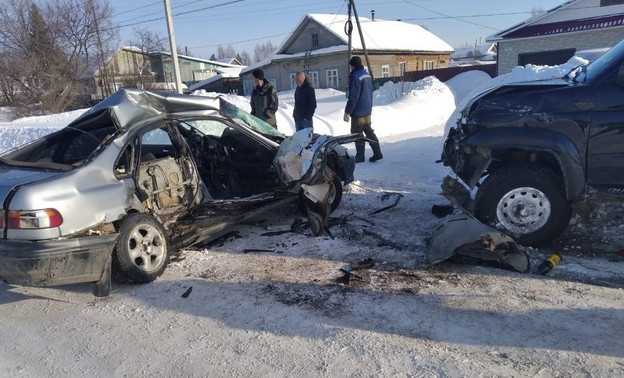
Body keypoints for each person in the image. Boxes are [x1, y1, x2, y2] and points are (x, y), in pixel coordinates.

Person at [343, 56, 383, 163]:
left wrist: (348, 112)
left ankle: (360, 156)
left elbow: (353, 97)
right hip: (367, 109)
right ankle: (377, 152)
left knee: (357, 133)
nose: (350, 67)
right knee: (369, 131)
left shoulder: (355, 77)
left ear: (353, 65)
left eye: (350, 65)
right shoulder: (367, 75)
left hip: (358, 111)